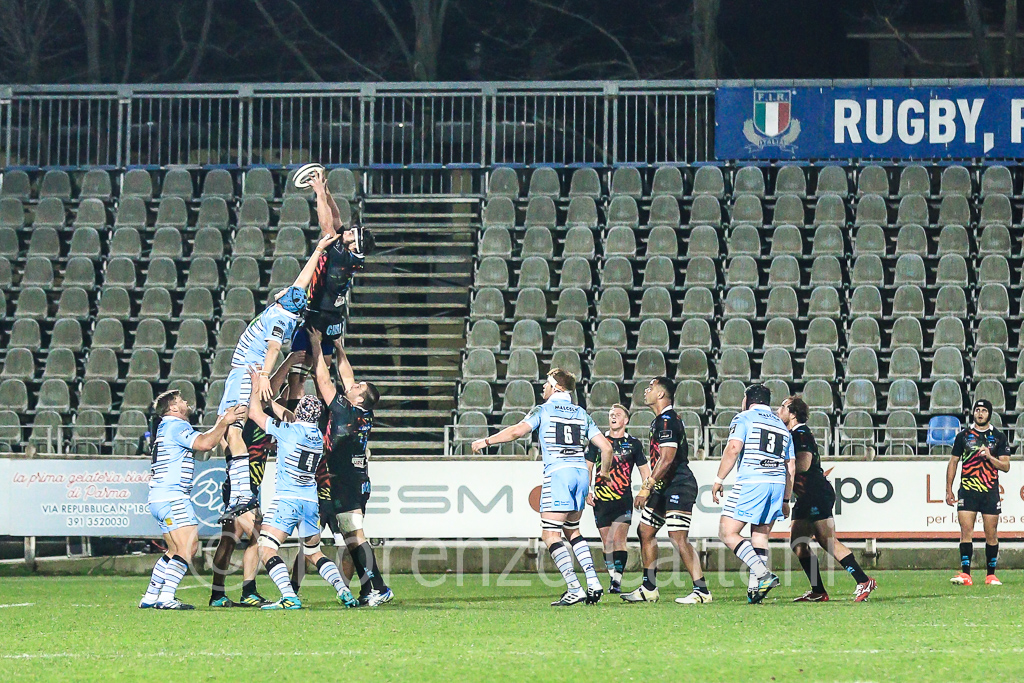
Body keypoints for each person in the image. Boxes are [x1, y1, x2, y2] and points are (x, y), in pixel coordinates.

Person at [471, 369, 614, 607]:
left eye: (547, 384)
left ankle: (574, 588)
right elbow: (607, 448)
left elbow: (517, 431)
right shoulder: (581, 413)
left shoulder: (543, 410)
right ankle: (593, 581)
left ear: (557, 388)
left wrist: (486, 441)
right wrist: (605, 472)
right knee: (573, 530)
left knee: (550, 534)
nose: (543, 388)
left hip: (558, 473)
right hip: (581, 473)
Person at [246, 366, 358, 610]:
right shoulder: (317, 436)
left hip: (287, 499)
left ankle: (289, 596)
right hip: (310, 502)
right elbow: (291, 418)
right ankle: (343, 590)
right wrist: (272, 402)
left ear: (299, 412)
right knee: (314, 552)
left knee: (266, 548)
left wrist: (256, 388)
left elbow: (254, 413)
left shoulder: (289, 432)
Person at [307, 329, 392, 606]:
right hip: (356, 480)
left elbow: (323, 380)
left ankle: (379, 588)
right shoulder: (364, 412)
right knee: (351, 536)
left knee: (355, 536)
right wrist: (339, 348)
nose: (352, 386)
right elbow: (348, 377)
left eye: (358, 388)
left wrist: (316, 345)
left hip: (345, 481)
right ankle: (369, 589)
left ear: (359, 398)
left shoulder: (344, 411)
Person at [209, 353, 301, 608]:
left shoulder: (262, 413)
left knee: (233, 539)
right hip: (239, 483)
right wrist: (287, 364)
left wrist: (291, 367)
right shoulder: (242, 412)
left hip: (252, 484)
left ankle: (236, 592)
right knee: (257, 537)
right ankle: (234, 593)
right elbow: (223, 435)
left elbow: (277, 392)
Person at [140, 391, 246, 610]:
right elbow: (205, 444)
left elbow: (202, 452)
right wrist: (224, 422)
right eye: (180, 401)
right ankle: (166, 598)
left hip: (159, 497)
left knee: (173, 550)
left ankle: (150, 596)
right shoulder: (177, 426)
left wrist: (218, 427)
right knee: (189, 548)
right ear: (173, 408)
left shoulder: (166, 428)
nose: (186, 402)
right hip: (172, 496)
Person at [287, 167, 375, 410]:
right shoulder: (351, 254)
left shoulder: (341, 258)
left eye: (351, 234)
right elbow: (336, 221)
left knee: (300, 376)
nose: (347, 232)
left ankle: (300, 418)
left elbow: (328, 227)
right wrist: (326, 191)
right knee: (319, 375)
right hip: (332, 317)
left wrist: (318, 193)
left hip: (318, 315)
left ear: (354, 245)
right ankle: (316, 417)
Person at [622, 377, 711, 606]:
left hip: (678, 484)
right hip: (665, 486)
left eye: (650, 388)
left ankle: (702, 591)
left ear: (661, 394)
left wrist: (646, 487)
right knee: (645, 531)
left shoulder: (667, 421)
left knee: (678, 536)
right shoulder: (661, 420)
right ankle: (649, 588)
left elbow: (667, 458)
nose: (646, 391)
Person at [779, 396, 876, 602]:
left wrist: (780, 467)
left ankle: (863, 580)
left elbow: (804, 464)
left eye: (783, 407)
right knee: (798, 543)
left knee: (827, 541)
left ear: (793, 413)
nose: (778, 411)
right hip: (806, 496)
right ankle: (818, 591)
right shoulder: (793, 434)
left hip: (815, 492)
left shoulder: (800, 433)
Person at [711, 384, 794, 605]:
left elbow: (733, 448)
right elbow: (790, 466)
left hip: (753, 480)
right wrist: (786, 499)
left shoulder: (744, 417)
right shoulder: (782, 425)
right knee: (760, 535)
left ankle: (763, 574)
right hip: (777, 482)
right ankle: (754, 590)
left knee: (727, 532)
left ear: (748, 399)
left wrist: (719, 479)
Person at [585, 404, 650, 593]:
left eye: (618, 414)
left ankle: (617, 581)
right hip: (601, 498)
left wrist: (645, 491)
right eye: (611, 414)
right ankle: (612, 576)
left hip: (623, 498)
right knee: (607, 542)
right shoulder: (597, 441)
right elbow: (588, 467)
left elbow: (645, 471)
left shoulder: (634, 444)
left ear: (626, 420)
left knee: (619, 540)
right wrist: (587, 490)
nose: (613, 417)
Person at [946, 399, 1011, 587]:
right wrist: (949, 489)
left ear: (989, 414)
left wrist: (989, 457)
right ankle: (966, 574)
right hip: (968, 490)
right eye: (977, 410)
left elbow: (1006, 466)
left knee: (991, 533)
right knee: (966, 531)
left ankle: (991, 575)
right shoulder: (963, 436)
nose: (980, 413)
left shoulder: (998, 437)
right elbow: (953, 462)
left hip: (989, 491)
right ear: (973, 413)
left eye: (984, 410)